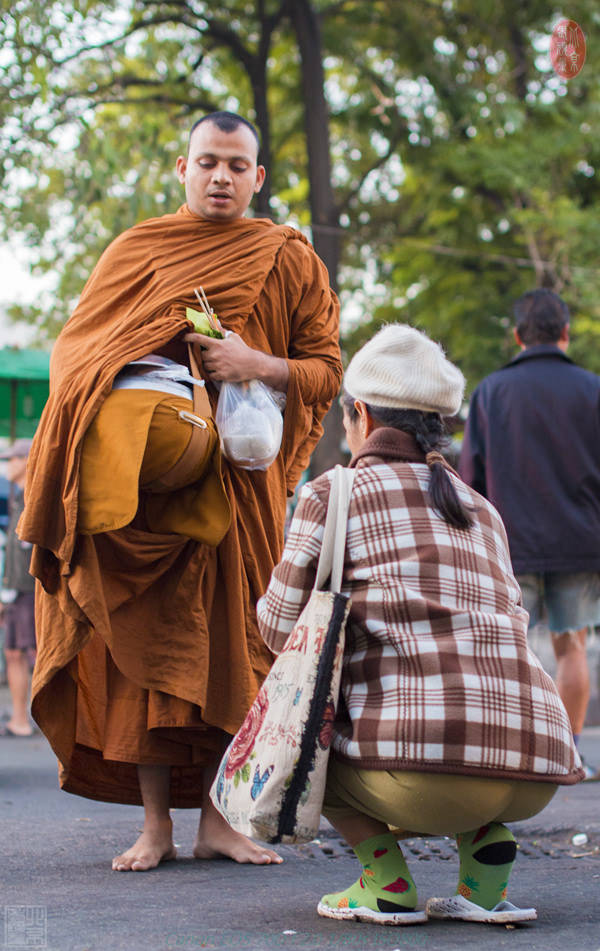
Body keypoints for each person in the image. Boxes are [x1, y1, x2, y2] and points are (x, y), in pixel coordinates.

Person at [18, 111, 342, 870]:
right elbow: (76, 356)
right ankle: (157, 825)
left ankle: (222, 821)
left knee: (235, 647)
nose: (221, 176)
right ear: (181, 168)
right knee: (143, 655)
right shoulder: (138, 250)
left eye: (236, 164)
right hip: (148, 498)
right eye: (207, 162)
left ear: (258, 177)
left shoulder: (289, 257)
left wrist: (252, 363)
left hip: (241, 495)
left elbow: (325, 369)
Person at [257, 323, 582, 926]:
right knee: (455, 718)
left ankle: (384, 883)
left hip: (424, 772)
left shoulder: (336, 491)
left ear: (360, 415)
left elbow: (278, 630)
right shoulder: (481, 508)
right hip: (530, 769)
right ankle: (484, 886)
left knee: (302, 743)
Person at [459, 289, 600, 781]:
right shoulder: (593, 389)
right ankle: (570, 754)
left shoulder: (491, 392)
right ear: (565, 333)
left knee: (508, 648)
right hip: (580, 543)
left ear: (518, 336)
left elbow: (470, 476)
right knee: (571, 646)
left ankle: (512, 755)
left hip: (509, 542)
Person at [0, 439, 36, 737]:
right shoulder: (18, 499)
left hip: (31, 590)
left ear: (27, 460)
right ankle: (19, 718)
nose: (9, 464)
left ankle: (30, 720)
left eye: (13, 459)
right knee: (15, 653)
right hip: (17, 590)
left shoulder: (34, 500)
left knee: (32, 653)